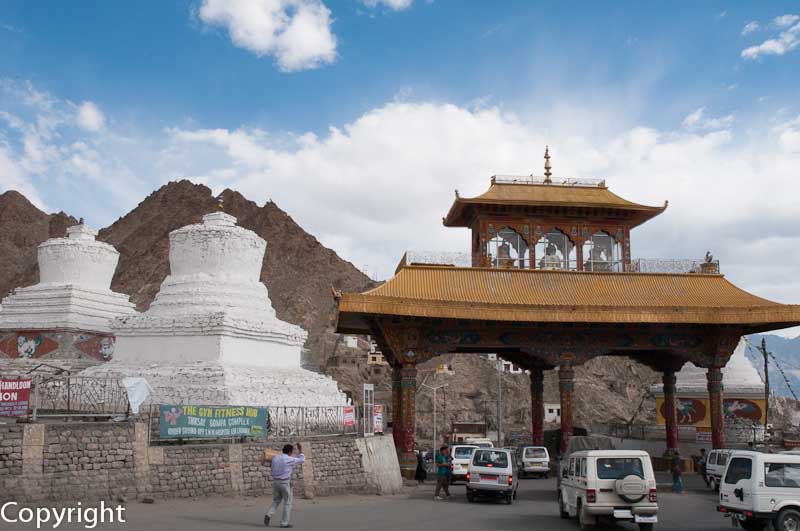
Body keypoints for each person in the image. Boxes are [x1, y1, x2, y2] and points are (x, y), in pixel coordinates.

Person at [265, 443, 305, 528]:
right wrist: (300, 450)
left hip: (275, 482)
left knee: (276, 500)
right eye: (292, 452)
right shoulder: (289, 459)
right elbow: (302, 460)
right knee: (287, 503)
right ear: (290, 452)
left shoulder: (275, 458)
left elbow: (269, 465)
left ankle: (268, 515)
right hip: (285, 483)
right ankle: (284, 523)